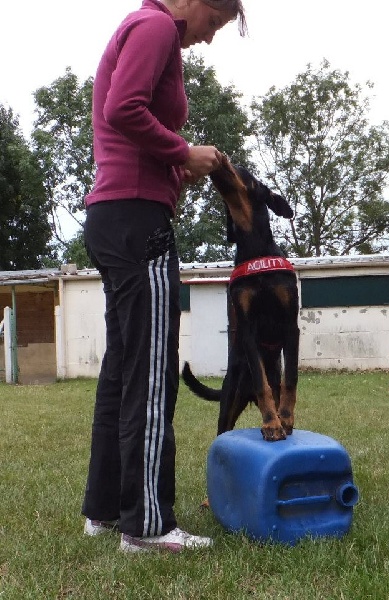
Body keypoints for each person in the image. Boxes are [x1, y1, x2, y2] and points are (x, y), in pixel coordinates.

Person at [82, 0, 247, 553]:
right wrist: (183, 150)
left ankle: (105, 510)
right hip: (135, 221)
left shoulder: (141, 26)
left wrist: (173, 165)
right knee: (152, 374)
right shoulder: (155, 27)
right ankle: (147, 525)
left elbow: (123, 120)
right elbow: (122, 108)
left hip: (114, 215)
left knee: (123, 369)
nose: (210, 37)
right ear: (199, 2)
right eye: (216, 23)